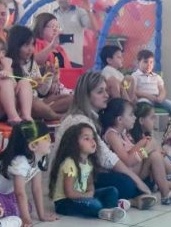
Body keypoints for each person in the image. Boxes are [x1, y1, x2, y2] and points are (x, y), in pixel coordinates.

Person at [51, 71, 159, 210]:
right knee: (128, 184)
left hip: (86, 174)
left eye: (106, 91)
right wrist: (139, 176)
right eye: (100, 92)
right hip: (72, 181)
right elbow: (111, 158)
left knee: (133, 179)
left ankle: (134, 196)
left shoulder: (92, 119)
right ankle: (128, 199)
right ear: (86, 95)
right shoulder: (81, 121)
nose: (106, 95)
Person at [100, 98, 171, 204]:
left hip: (136, 170)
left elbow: (131, 152)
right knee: (152, 151)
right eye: (131, 115)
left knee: (154, 153)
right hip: (127, 174)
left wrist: (144, 145)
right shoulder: (112, 135)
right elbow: (127, 161)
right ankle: (170, 175)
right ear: (119, 119)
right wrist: (145, 148)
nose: (134, 117)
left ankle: (166, 193)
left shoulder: (122, 133)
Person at [0, 121, 57, 227]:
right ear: (33, 145)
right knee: (8, 210)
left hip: (4, 192)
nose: (50, 140)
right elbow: (20, 193)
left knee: (25, 207)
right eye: (46, 138)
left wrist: (42, 215)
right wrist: (26, 219)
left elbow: (37, 188)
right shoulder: (20, 161)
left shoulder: (38, 158)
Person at [49, 123, 127, 222]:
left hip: (82, 197)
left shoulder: (89, 162)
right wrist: (87, 196)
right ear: (75, 144)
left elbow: (90, 184)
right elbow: (69, 193)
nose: (92, 141)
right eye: (86, 139)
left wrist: (91, 191)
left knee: (112, 191)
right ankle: (106, 210)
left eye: (93, 138)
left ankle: (110, 210)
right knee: (95, 204)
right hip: (64, 202)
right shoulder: (70, 163)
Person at [6, 25, 68, 118]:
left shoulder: (32, 63)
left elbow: (42, 91)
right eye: (26, 45)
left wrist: (49, 75)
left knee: (70, 98)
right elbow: (10, 91)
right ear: (15, 45)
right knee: (36, 104)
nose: (31, 49)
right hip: (23, 105)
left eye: (32, 44)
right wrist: (30, 84)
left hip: (40, 101)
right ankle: (57, 116)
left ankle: (47, 112)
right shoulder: (8, 64)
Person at [52, 0, 95, 67]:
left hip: (74, 60)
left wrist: (88, 11)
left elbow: (92, 27)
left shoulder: (80, 12)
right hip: (55, 60)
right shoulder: (52, 15)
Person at [132, 49, 171, 115]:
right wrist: (147, 96)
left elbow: (162, 90)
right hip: (144, 99)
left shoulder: (156, 77)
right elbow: (133, 90)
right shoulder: (135, 75)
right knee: (146, 108)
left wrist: (161, 97)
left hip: (157, 99)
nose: (148, 64)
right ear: (138, 63)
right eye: (145, 62)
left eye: (151, 62)